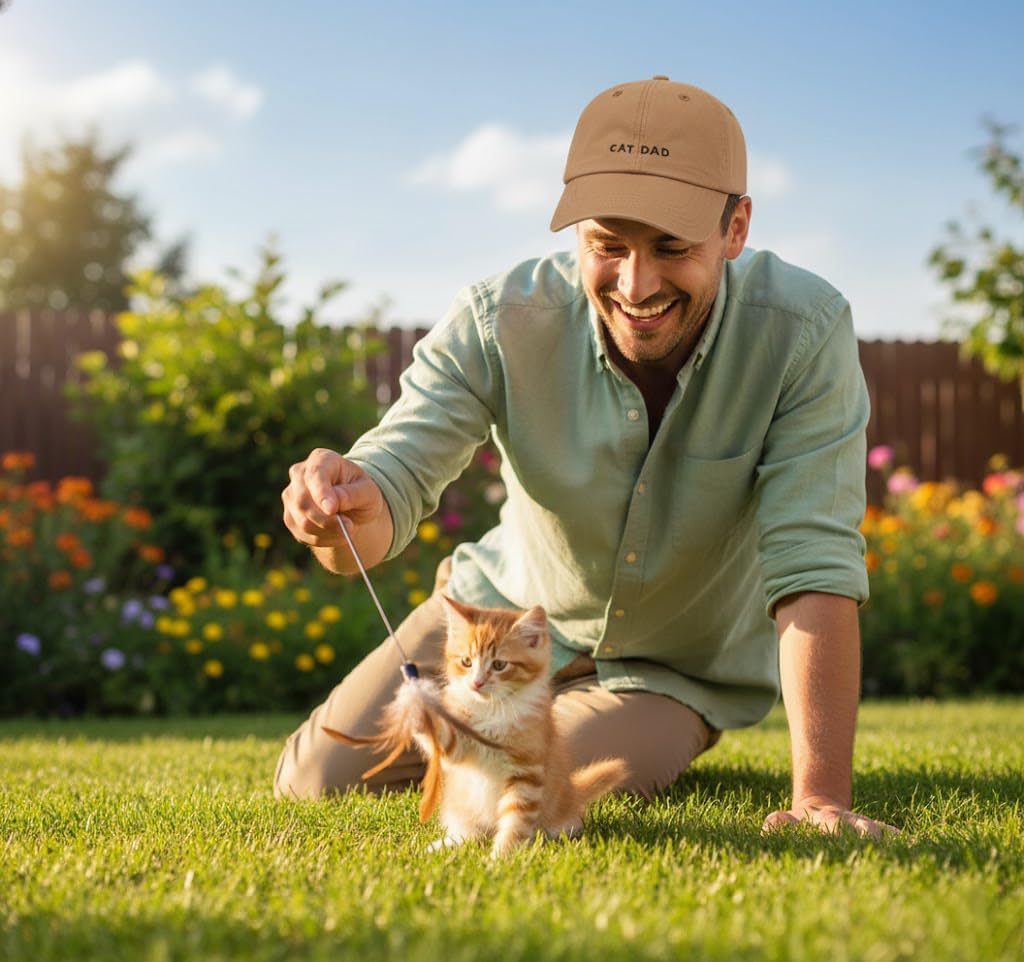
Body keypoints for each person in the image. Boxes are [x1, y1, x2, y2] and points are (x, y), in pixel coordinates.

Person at [275, 75, 896, 838]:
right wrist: (343, 514)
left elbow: (814, 561)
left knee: (538, 793)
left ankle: (643, 727)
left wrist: (821, 799)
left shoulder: (803, 330)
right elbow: (388, 489)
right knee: (314, 782)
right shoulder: (497, 319)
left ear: (735, 229)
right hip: (498, 619)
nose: (636, 284)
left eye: (672, 248)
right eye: (608, 246)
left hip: (665, 673)